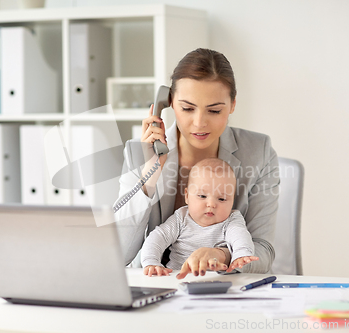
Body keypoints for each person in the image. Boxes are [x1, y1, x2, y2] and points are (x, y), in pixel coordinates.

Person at [115, 48, 279, 279]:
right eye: (187, 108)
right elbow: (118, 255)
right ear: (168, 103)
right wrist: (149, 175)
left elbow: (264, 250)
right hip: (156, 284)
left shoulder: (258, 152)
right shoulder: (138, 152)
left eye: (214, 110)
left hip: (222, 286)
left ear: (232, 105)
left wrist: (221, 255)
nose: (199, 122)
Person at [140, 158, 259, 276]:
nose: (211, 204)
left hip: (216, 281)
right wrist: (151, 262)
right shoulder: (181, 218)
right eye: (202, 196)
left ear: (232, 201)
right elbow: (158, 237)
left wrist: (241, 255)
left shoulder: (231, 220)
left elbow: (240, 236)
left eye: (222, 199)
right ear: (187, 196)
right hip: (177, 276)